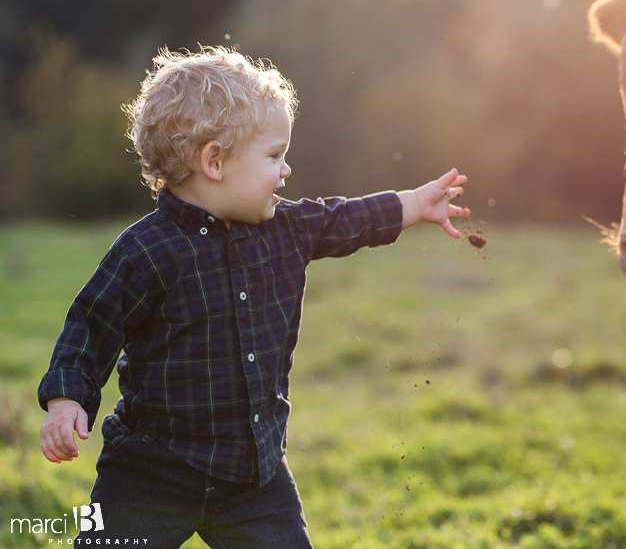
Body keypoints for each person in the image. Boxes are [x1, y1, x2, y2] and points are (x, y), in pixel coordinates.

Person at [37, 46, 471, 548]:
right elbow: (92, 324)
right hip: (149, 470)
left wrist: (416, 203)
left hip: (254, 473)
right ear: (215, 162)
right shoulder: (146, 250)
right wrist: (67, 399)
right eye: (273, 156)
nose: (285, 171)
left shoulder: (285, 228)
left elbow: (343, 218)